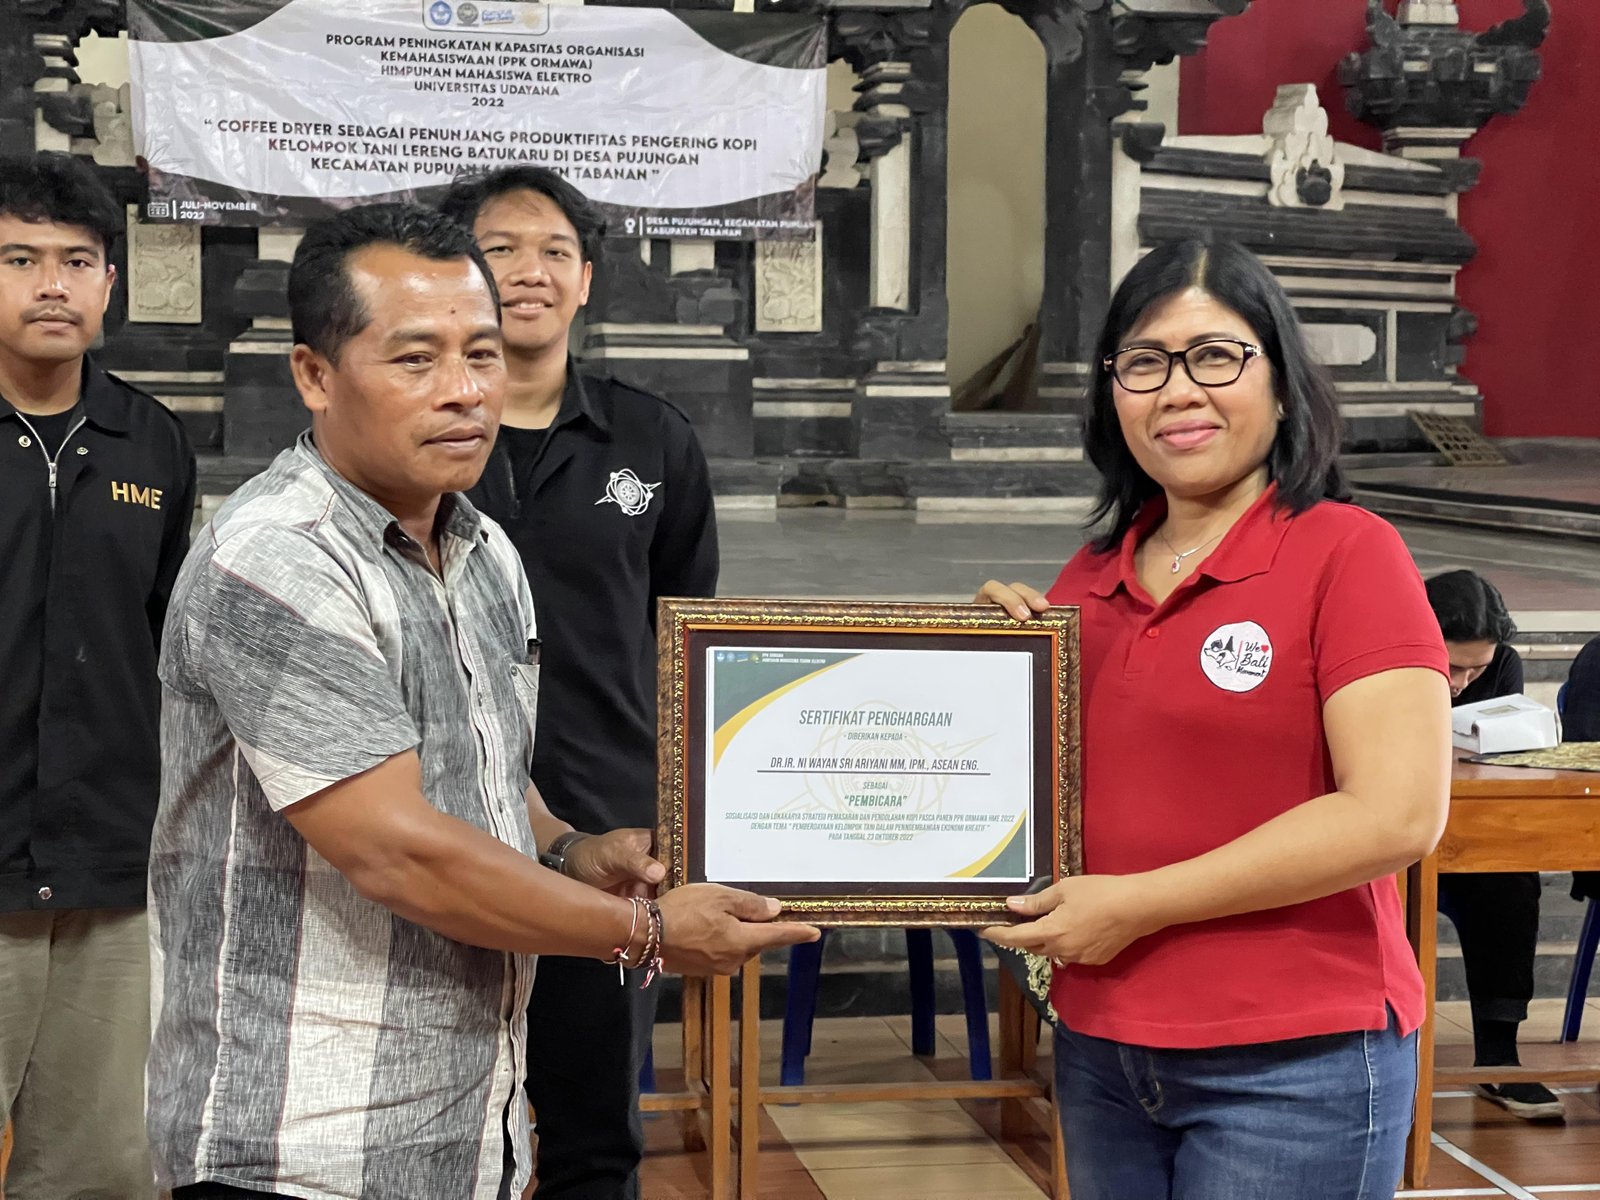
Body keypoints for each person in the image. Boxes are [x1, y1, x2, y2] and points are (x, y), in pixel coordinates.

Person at [146, 203, 815, 1200]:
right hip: (303, 1138)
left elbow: (488, 769)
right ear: (315, 375)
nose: (464, 391)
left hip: (464, 1123)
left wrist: (570, 849)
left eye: (482, 355)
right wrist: (650, 934)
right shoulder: (278, 561)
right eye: (416, 359)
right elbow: (397, 850)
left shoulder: (480, 547)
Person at [977, 238, 1451, 1199]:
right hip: (1104, 1048)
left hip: (1294, 1062)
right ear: (1112, 394)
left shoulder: (1347, 554)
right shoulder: (1086, 580)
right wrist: (972, 673)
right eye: (1145, 363)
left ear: (1280, 385)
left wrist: (1139, 905)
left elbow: (1396, 815)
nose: (1178, 391)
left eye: (1216, 356)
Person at [438, 167, 719, 1200]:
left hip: (607, 836)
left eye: (554, 251)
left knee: (595, 1132)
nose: (530, 271)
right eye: (501, 249)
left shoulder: (652, 440)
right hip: (441, 822)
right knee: (435, 1117)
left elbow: (682, 634)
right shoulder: (421, 434)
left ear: (587, 279)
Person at [0, 151, 196, 1198]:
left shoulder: (151, 442)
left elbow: (165, 643)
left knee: (100, 1172)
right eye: (19, 259)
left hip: (110, 870)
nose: (51, 285)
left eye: (77, 261)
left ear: (109, 282)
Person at [1424, 569, 1561, 1119]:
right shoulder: (1386, 657)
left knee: (1511, 882)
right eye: (1451, 666)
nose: (1461, 682)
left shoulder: (1502, 664)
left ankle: (1498, 1057)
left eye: (1474, 670)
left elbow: (1501, 752)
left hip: (1463, 823)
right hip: (1391, 829)